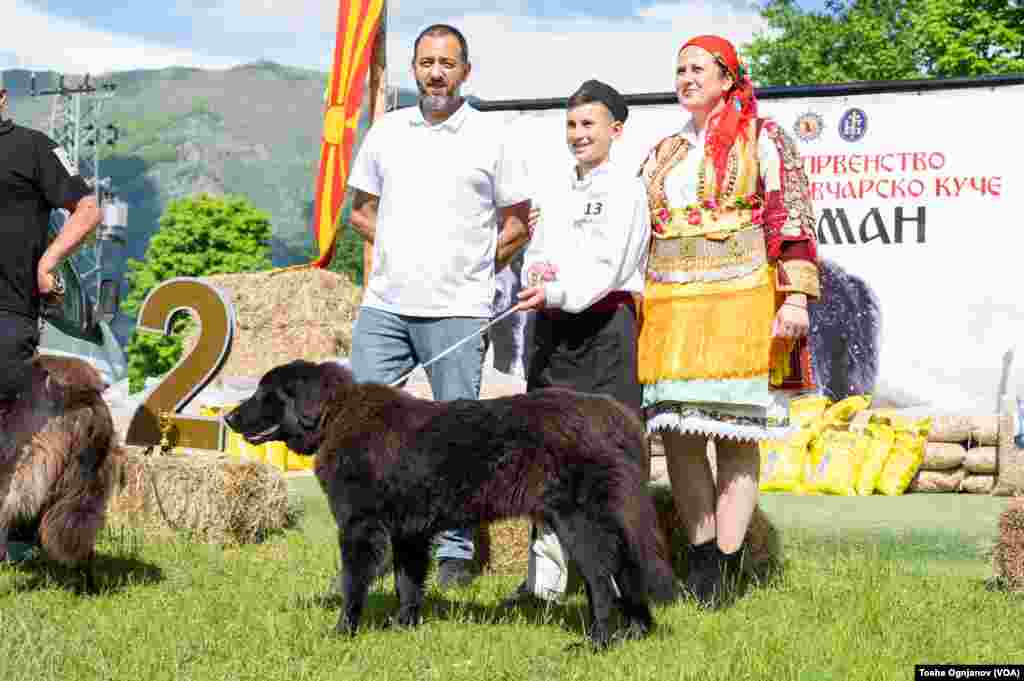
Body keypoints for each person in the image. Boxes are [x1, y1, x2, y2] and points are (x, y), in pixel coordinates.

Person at [345, 24, 531, 589]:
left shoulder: (493, 135)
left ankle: (454, 553)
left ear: (465, 72)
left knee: (454, 439)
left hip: (458, 310)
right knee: (363, 432)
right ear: (414, 69)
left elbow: (517, 225)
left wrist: (474, 268)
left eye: (447, 63)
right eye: (427, 62)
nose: (436, 73)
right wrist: (398, 249)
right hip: (384, 308)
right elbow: (360, 212)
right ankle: (372, 549)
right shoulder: (387, 131)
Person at [636, 35, 819, 608]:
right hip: (672, 306)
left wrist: (795, 299)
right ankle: (701, 560)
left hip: (741, 302)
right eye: (680, 70)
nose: (686, 78)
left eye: (698, 68)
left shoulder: (764, 137)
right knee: (680, 434)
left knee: (736, 436)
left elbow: (792, 217)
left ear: (728, 78)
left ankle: (729, 562)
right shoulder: (664, 150)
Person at [502, 79, 652, 606]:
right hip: (552, 331)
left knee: (608, 461)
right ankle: (543, 586)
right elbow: (539, 254)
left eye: (588, 124)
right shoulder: (554, 187)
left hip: (605, 332)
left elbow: (609, 267)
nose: (578, 134)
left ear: (616, 130)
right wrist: (537, 280)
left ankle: (617, 587)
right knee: (542, 459)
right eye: (570, 124)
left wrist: (557, 290)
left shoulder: (628, 190)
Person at [0, 74, 102, 408]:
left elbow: (87, 209)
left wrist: (48, 262)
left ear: (2, 97)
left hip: (8, 313)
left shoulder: (34, 148)